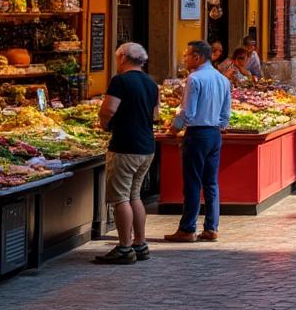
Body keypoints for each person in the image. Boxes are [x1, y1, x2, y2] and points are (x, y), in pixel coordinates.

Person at [95, 42, 160, 264]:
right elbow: (155, 115)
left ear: (122, 58)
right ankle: (139, 244)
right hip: (147, 146)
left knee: (120, 197)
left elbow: (109, 109)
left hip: (125, 146)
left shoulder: (120, 81)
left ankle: (124, 247)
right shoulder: (152, 83)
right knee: (135, 195)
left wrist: (103, 124)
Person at [164, 41, 231, 243]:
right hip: (214, 134)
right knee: (211, 182)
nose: (184, 59)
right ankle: (211, 227)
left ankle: (187, 228)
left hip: (197, 134)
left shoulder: (194, 79)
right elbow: (225, 114)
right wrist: (217, 126)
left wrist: (174, 129)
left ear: (198, 57)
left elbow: (187, 112)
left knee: (192, 182)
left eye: (186, 55)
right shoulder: (222, 79)